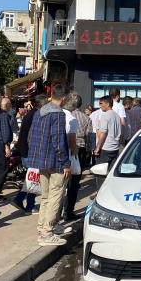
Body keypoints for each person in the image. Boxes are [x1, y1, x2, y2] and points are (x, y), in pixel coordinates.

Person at [27, 84, 71, 246]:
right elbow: (58, 141)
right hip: (55, 161)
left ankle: (42, 228)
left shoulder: (40, 112)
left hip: (40, 160)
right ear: (64, 98)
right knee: (55, 197)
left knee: (45, 197)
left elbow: (31, 136)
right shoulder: (58, 114)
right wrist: (66, 163)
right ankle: (47, 233)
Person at [11, 95, 46, 213]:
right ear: (41, 105)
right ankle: (29, 205)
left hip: (26, 151)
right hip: (31, 152)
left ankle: (21, 200)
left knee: (31, 178)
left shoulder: (29, 115)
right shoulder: (36, 116)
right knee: (34, 178)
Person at [63, 92, 85, 221]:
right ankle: (68, 212)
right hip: (70, 156)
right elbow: (72, 142)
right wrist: (76, 154)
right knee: (72, 186)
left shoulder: (55, 114)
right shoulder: (72, 119)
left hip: (55, 157)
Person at [93, 96, 121, 164]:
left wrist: (97, 147)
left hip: (105, 149)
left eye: (101, 103)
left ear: (108, 104)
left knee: (100, 172)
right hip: (115, 148)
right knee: (111, 172)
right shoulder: (117, 116)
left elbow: (103, 133)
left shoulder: (105, 115)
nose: (100, 105)